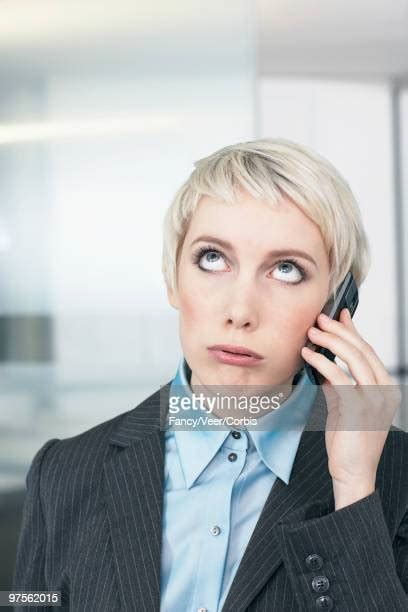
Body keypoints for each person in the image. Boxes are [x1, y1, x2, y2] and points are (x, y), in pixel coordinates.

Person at [13, 138, 408, 611]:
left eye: (286, 269)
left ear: (335, 305)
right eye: (212, 259)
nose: (240, 311)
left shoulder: (394, 478)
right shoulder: (63, 473)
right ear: (171, 277)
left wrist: (353, 489)